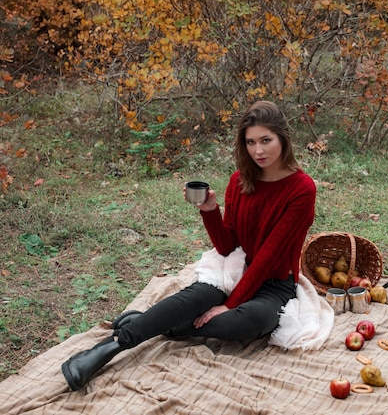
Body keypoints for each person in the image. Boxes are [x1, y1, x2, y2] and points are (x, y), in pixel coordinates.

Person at [61, 100, 317, 391]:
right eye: (250, 142)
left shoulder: (302, 189)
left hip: (273, 282)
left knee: (252, 320)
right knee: (191, 299)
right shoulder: (240, 180)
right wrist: (209, 210)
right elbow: (226, 245)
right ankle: (106, 349)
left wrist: (229, 306)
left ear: (283, 138)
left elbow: (269, 257)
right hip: (234, 269)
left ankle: (156, 322)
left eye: (266, 141)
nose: (258, 150)